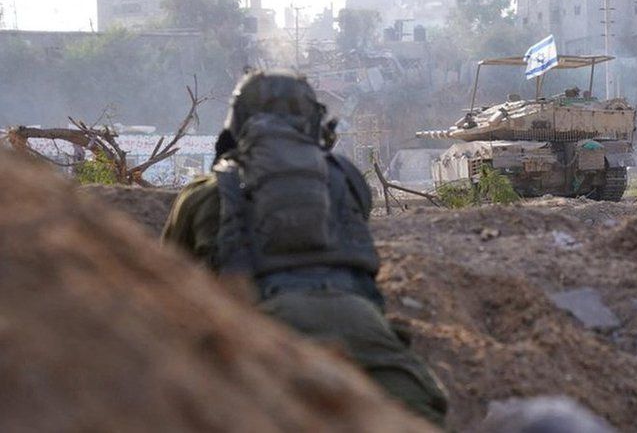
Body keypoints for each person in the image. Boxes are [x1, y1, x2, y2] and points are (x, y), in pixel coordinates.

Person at [162, 69, 447, 426]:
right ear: (313, 122)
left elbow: (163, 290)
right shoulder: (347, 179)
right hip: (361, 325)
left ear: (236, 122)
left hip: (259, 334)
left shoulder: (204, 192)